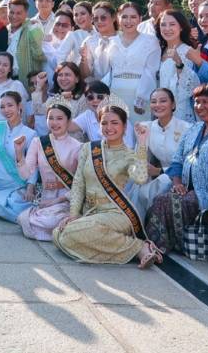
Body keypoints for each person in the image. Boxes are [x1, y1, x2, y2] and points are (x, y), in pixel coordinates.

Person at [54, 105, 162, 268]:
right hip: (90, 211)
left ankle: (139, 247)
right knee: (59, 234)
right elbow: (78, 183)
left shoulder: (129, 155)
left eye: (114, 123)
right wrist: (74, 214)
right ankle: (132, 248)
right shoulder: (89, 149)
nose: (109, 128)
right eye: (104, 123)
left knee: (70, 233)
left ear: (125, 126)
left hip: (117, 212)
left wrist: (141, 144)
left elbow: (140, 178)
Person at [144, 85, 208, 253]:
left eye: (206, 102)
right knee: (159, 199)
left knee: (165, 202)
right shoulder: (194, 128)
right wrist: (177, 183)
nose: (199, 107)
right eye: (196, 102)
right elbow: (177, 161)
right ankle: (158, 246)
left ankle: (158, 247)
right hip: (186, 189)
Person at [17, 100, 81, 241]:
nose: (54, 122)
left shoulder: (78, 147)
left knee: (47, 220)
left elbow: (81, 183)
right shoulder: (38, 142)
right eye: (50, 118)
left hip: (66, 199)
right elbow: (25, 174)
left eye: (59, 118)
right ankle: (60, 231)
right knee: (24, 217)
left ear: (69, 121)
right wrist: (19, 154)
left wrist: (59, 200)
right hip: (45, 197)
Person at [0, 91, 39, 222]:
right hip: (0, 186)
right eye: (2, 107)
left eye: (10, 105)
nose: (6, 110)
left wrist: (30, 187)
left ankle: (20, 213)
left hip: (19, 185)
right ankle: (23, 219)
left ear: (19, 107)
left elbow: (33, 165)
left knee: (15, 203)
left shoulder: (30, 134)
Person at [93, 2, 155, 118]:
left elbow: (150, 71)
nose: (128, 21)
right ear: (118, 18)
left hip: (139, 96)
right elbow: (103, 71)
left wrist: (141, 97)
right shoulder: (111, 41)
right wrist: (101, 50)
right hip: (115, 94)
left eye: (133, 17)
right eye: (124, 17)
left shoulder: (150, 41)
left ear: (140, 18)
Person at [137, 10, 199, 122]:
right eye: (163, 25)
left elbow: (190, 87)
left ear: (181, 27)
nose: (167, 28)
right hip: (159, 109)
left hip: (179, 111)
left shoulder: (187, 51)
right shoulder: (159, 50)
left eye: (172, 24)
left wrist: (179, 63)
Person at [3, 0, 45, 81]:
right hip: (6, 81)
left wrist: (34, 31)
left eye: (19, 13)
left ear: (26, 14)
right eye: (11, 12)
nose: (14, 16)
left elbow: (40, 56)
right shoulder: (4, 30)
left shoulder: (33, 27)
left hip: (27, 82)